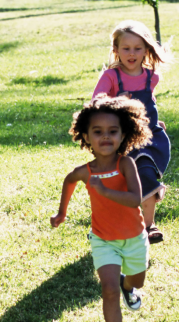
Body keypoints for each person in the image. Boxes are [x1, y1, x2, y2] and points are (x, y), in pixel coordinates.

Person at [51, 95, 153, 322]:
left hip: (134, 238)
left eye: (112, 131)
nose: (105, 136)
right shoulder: (85, 171)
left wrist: (105, 191)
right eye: (98, 131)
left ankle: (127, 286)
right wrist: (62, 212)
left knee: (137, 282)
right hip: (103, 240)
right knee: (108, 291)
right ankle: (118, 288)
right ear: (86, 137)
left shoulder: (126, 164)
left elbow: (135, 199)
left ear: (123, 134)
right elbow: (69, 180)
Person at [92, 20, 173, 244]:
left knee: (146, 175)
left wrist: (156, 120)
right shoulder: (111, 77)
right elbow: (97, 101)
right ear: (116, 50)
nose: (131, 53)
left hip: (149, 139)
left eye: (137, 48)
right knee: (120, 182)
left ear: (147, 50)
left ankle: (148, 226)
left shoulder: (151, 77)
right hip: (121, 141)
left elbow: (149, 102)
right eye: (125, 48)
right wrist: (118, 104)